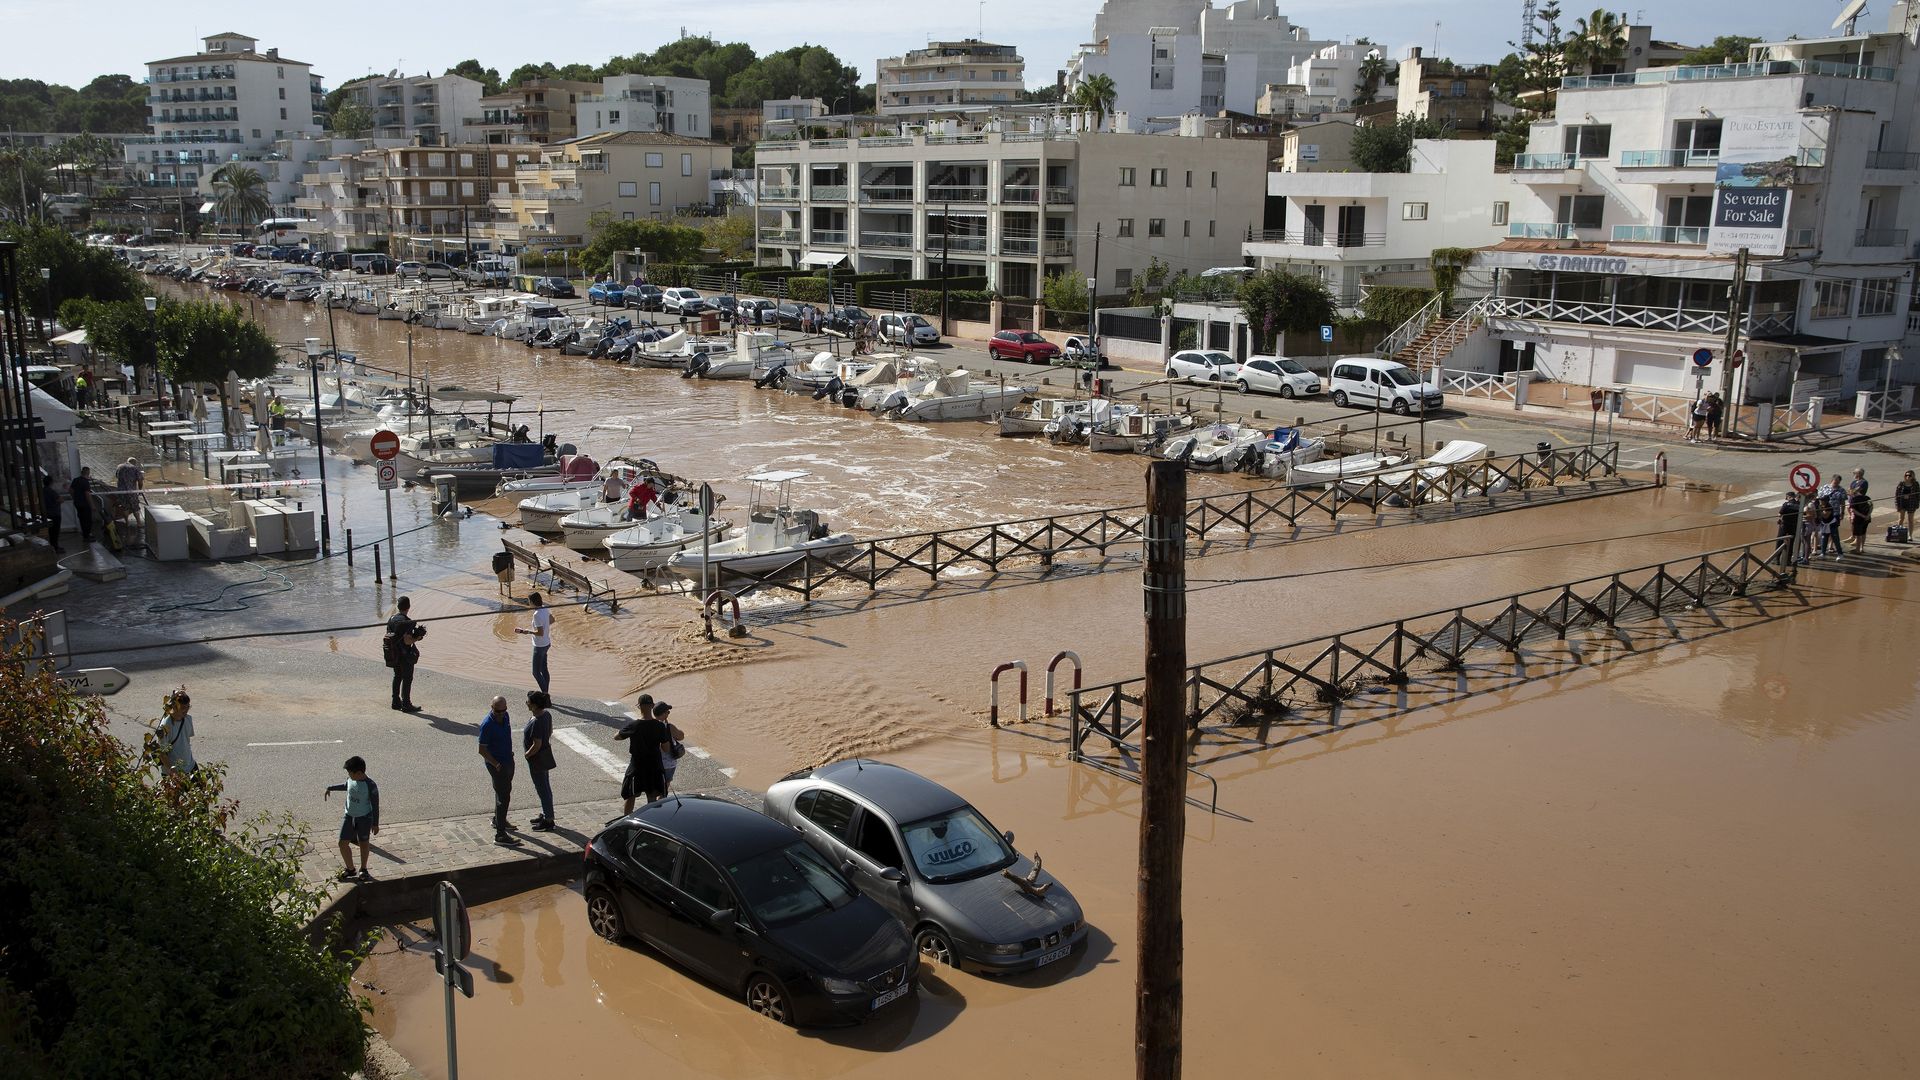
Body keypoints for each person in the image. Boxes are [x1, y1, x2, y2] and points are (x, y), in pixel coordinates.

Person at [324, 756, 380, 880]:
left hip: (364, 818)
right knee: (342, 843)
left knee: (364, 843)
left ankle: (363, 869)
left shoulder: (370, 786)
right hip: (349, 816)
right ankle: (350, 869)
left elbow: (375, 805)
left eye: (350, 772)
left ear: (359, 773)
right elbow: (346, 786)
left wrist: (375, 824)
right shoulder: (351, 779)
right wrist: (330, 788)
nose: (348, 775)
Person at [613, 693, 671, 814]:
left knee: (631, 795)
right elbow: (666, 748)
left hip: (637, 766)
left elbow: (617, 737)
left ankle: (626, 821)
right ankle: (652, 821)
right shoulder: (660, 726)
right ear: (652, 706)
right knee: (652, 798)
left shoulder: (634, 725)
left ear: (639, 707)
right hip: (654, 766)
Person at [478, 696, 519, 845]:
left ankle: (498, 819)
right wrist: (496, 764)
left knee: (503, 792)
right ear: (491, 707)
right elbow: (482, 750)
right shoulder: (487, 724)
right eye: (498, 711)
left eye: (504, 710)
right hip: (497, 765)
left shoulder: (505, 716)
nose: (501, 713)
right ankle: (500, 835)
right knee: (503, 797)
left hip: (508, 760)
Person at [523, 690, 558, 831]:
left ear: (535, 705)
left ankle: (549, 820)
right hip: (544, 755)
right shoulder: (546, 715)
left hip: (537, 759)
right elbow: (549, 732)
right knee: (545, 785)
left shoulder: (537, 722)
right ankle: (546, 813)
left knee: (542, 788)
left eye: (529, 702)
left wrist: (527, 754)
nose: (527, 703)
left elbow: (536, 744)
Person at [385, 596, 424, 712]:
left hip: (393, 653)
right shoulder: (407, 622)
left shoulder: (391, 619)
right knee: (407, 678)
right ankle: (406, 704)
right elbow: (407, 641)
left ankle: (395, 702)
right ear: (409, 607)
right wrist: (417, 637)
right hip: (404, 655)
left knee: (397, 676)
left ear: (398, 606)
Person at [515, 591, 553, 695]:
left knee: (536, 672)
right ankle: (546, 692)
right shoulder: (545, 608)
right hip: (547, 643)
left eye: (529, 601)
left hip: (539, 645)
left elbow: (539, 633)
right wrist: (545, 624)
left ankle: (545, 694)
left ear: (532, 602)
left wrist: (526, 631)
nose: (528, 603)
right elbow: (552, 620)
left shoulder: (536, 615)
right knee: (544, 669)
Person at [156, 688, 196, 775]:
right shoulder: (165, 726)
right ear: (174, 706)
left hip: (190, 765)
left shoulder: (188, 719)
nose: (186, 710)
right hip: (174, 772)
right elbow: (161, 753)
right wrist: (173, 772)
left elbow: (186, 742)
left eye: (188, 707)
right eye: (182, 707)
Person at [656, 702, 686, 794]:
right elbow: (681, 736)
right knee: (664, 789)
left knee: (654, 789)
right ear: (664, 714)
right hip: (668, 764)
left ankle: (653, 805)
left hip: (654, 762)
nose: (668, 714)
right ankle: (661, 805)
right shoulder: (669, 727)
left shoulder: (651, 725)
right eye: (667, 712)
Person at [1816, 476, 1848, 558]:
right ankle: (1823, 552)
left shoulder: (1841, 490)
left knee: (1834, 535)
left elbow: (1843, 502)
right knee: (1824, 535)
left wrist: (1842, 512)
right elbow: (1818, 498)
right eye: (1835, 482)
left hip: (1835, 513)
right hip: (1824, 513)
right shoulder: (1824, 487)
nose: (1836, 483)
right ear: (1832, 480)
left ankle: (1836, 551)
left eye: (1838, 482)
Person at [1773, 493, 1801, 571]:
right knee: (1791, 543)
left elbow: (1780, 514)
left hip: (1784, 525)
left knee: (1780, 541)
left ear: (1789, 497)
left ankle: (1777, 559)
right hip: (1794, 526)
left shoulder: (1786, 504)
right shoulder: (1799, 505)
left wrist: (1780, 517)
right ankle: (1788, 561)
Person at [69, 466, 95, 544]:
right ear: (88, 473)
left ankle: (85, 535)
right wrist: (92, 505)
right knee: (87, 520)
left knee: (82, 519)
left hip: (77, 503)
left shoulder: (76, 480)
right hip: (85, 504)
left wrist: (74, 498)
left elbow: (70, 490)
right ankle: (87, 536)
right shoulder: (85, 482)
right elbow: (87, 494)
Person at [115, 456, 145, 520]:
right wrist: (140, 490)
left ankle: (127, 523)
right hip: (132, 491)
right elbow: (140, 481)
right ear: (134, 463)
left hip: (121, 491)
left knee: (125, 507)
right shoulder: (135, 468)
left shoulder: (119, 467)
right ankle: (139, 523)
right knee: (135, 507)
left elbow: (117, 477)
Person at [39, 470, 62, 552]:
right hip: (54, 514)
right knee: (55, 532)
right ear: (51, 482)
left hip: (47, 514)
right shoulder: (51, 491)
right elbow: (59, 499)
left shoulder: (42, 491)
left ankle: (53, 546)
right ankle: (55, 547)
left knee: (51, 531)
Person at [1848, 487, 1874, 554]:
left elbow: (1853, 510)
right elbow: (1871, 507)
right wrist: (1868, 515)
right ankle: (1862, 548)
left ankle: (1857, 549)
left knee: (1858, 534)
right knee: (1863, 533)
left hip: (1858, 519)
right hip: (1867, 519)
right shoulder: (1867, 498)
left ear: (1853, 493)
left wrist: (1862, 516)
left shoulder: (1854, 499)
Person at [1895, 469, 1918, 534]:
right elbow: (1896, 495)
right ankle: (1899, 533)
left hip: (1911, 504)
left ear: (1912, 476)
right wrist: (1897, 505)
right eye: (1906, 475)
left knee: (1910, 520)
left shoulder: (1915, 484)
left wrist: (1917, 505)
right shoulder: (1901, 483)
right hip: (1902, 503)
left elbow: (1918, 495)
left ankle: (1910, 535)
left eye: (1909, 475)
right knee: (1901, 519)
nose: (1907, 476)